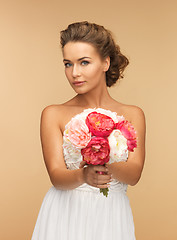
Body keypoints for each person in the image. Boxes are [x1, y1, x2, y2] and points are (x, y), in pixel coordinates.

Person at [31, 21, 146, 240]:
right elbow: (56, 176)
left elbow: (134, 174)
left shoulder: (132, 114)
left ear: (105, 62)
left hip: (111, 213)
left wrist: (104, 157)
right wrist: (83, 174)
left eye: (84, 62)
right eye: (67, 64)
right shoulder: (53, 113)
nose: (74, 73)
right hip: (64, 212)